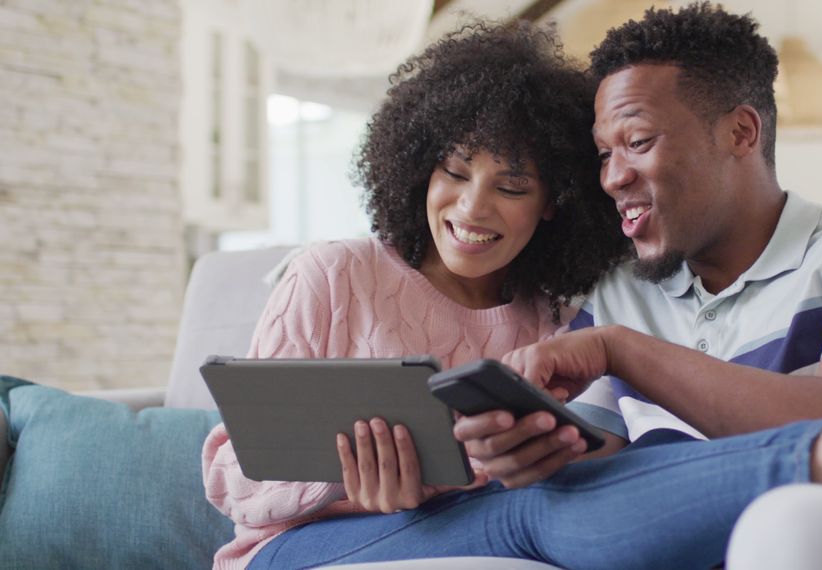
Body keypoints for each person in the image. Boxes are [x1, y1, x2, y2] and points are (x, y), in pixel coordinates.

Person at [233, 8, 822, 570]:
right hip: (336, 541)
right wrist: (529, 456)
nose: (613, 179)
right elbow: (593, 466)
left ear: (742, 131)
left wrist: (594, 389)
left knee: (791, 528)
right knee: (547, 514)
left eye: (634, 142)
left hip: (716, 535)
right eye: (601, 154)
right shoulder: (619, 294)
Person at [201, 21, 629, 569]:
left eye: (511, 186)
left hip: (469, 547)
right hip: (293, 552)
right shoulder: (333, 274)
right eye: (454, 170)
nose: (472, 207)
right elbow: (228, 472)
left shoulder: (557, 329)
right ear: (421, 166)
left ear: (553, 201)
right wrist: (343, 481)